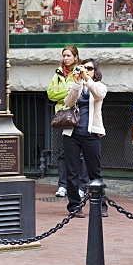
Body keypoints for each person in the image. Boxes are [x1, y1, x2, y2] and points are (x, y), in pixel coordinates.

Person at [60, 58, 108, 218]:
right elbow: (68, 102)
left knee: (94, 170)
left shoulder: (99, 85)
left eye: (89, 68)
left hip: (91, 133)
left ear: (95, 71)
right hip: (72, 133)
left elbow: (99, 94)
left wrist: (87, 80)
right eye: (84, 68)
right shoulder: (77, 83)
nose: (86, 70)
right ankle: (74, 206)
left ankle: (101, 203)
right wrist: (76, 84)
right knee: (72, 171)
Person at [46, 45, 81, 198]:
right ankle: (62, 185)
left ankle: (79, 185)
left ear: (75, 57)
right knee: (62, 152)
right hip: (62, 116)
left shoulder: (80, 71)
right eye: (64, 55)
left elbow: (79, 92)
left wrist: (68, 92)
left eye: (68, 56)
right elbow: (51, 93)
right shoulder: (58, 72)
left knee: (78, 153)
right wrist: (67, 92)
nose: (66, 59)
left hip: (76, 115)